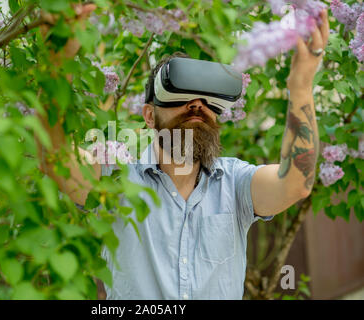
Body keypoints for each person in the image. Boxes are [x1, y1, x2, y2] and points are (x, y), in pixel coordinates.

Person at [36, 5, 330, 300]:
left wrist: (301, 85)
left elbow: (296, 182)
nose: (197, 105)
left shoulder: (236, 184)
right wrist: (56, 63)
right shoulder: (114, 183)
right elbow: (56, 160)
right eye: (181, 97)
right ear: (149, 116)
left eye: (207, 99)